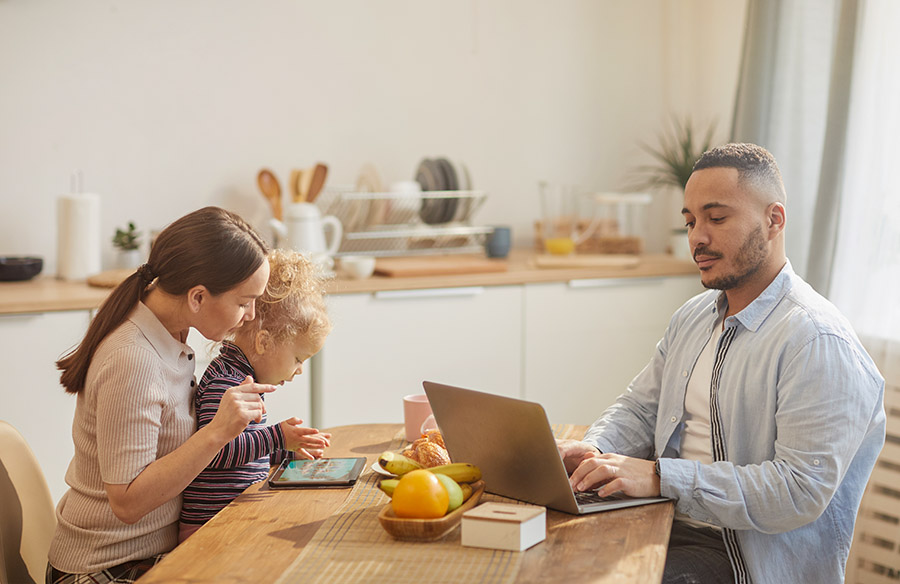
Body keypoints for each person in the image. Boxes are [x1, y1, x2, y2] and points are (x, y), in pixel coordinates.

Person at [557, 143, 885, 584]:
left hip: (741, 560)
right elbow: (639, 407)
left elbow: (798, 491)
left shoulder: (817, 340)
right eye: (690, 221)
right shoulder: (692, 317)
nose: (697, 237)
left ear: (774, 220)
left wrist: (660, 477)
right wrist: (595, 451)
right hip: (663, 523)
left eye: (716, 218)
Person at [48, 206, 278, 583]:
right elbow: (127, 502)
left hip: (151, 555)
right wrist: (217, 432)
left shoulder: (172, 333)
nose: (251, 315)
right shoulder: (133, 360)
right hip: (105, 569)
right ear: (198, 297)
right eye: (242, 302)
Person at [178, 249, 333, 541]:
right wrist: (277, 438)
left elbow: (243, 453)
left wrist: (285, 451)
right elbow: (216, 451)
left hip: (230, 521)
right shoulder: (226, 384)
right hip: (207, 531)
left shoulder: (241, 379)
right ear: (264, 342)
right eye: (298, 358)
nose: (299, 370)